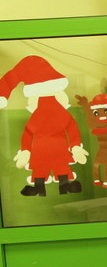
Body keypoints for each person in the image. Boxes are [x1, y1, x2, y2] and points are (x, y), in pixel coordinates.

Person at [0, 55, 88, 196]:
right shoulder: (44, 117)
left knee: (58, 166)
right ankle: (44, 188)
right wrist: (25, 151)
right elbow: (28, 133)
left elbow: (71, 130)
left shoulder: (55, 115)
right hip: (43, 149)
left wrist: (76, 147)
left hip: (54, 148)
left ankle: (58, 187)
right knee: (43, 167)